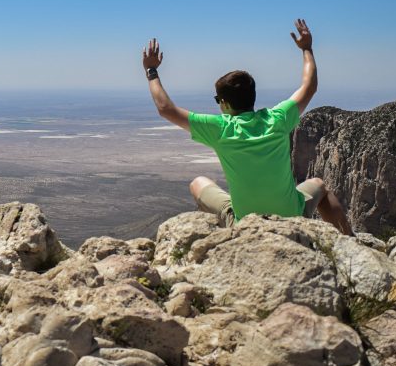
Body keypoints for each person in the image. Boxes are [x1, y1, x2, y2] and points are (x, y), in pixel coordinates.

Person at [142, 19, 353, 235]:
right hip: (293, 217)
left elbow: (165, 109)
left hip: (247, 224)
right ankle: (349, 241)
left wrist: (151, 70)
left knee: (198, 183)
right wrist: (307, 48)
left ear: (224, 102)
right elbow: (309, 85)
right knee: (319, 184)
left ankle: (222, 238)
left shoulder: (221, 128)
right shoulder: (277, 118)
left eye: (218, 100)